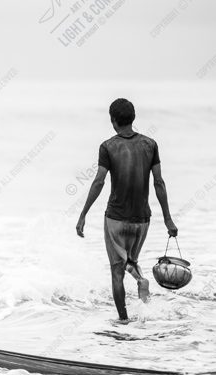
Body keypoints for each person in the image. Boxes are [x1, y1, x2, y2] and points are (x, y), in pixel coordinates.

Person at [75, 99, 178, 322]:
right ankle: (141, 279)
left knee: (116, 271)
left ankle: (123, 320)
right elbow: (159, 182)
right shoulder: (150, 145)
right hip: (142, 219)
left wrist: (83, 214)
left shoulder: (108, 146)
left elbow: (99, 181)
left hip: (116, 218)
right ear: (133, 118)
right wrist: (168, 220)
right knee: (130, 259)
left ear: (113, 121)